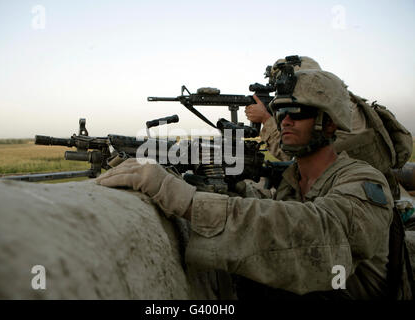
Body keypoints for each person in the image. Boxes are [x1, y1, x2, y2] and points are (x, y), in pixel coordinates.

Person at [95, 66, 410, 299]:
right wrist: (220, 186)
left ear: (329, 123)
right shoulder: (290, 182)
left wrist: (187, 200)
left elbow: (316, 235)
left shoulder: (364, 180)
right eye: (280, 111)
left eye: (296, 112)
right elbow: (272, 209)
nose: (284, 120)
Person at [245, 56, 413, 202]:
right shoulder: (345, 102)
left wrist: (266, 120)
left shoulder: (332, 112)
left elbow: (292, 151)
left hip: (354, 193)